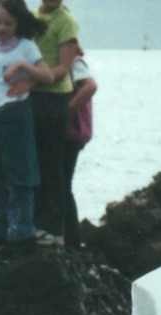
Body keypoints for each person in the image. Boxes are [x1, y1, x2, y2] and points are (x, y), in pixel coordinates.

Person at [0, 0, 54, 249]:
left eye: (8, 23)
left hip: (15, 114)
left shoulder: (26, 48)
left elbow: (46, 76)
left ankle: (21, 230)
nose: (2, 27)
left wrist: (22, 67)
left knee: (21, 175)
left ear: (18, 23)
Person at [28, 0, 79, 240]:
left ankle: (55, 229)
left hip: (55, 99)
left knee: (52, 166)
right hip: (32, 98)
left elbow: (63, 67)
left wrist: (34, 80)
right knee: (33, 164)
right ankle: (35, 223)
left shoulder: (66, 22)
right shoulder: (30, 17)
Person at [64, 44, 96, 247]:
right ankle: (70, 237)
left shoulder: (74, 63)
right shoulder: (64, 62)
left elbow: (90, 86)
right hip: (68, 134)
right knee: (62, 184)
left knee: (63, 184)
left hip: (71, 134)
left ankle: (72, 239)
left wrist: (67, 110)